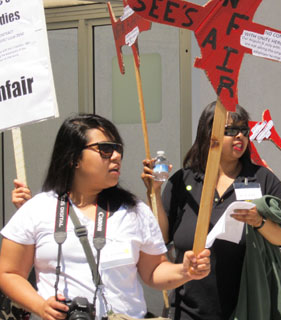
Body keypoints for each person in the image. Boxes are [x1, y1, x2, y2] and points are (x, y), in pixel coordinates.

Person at [0, 114, 211, 320]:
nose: (116, 156)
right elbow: (8, 273)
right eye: (105, 149)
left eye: (118, 149)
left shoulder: (134, 210)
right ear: (74, 158)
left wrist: (185, 271)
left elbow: (154, 271)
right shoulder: (38, 208)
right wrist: (41, 306)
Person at [141, 102, 281, 320]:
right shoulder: (184, 180)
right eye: (230, 131)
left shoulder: (262, 178)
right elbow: (161, 238)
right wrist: (154, 193)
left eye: (244, 130)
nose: (239, 136)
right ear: (209, 134)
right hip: (189, 309)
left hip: (247, 308)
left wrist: (259, 222)